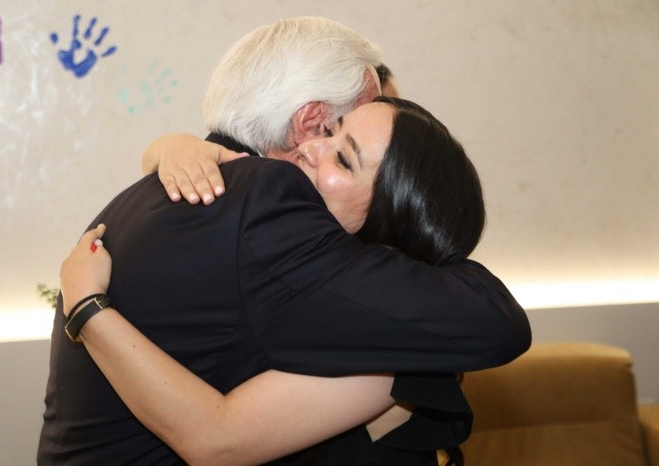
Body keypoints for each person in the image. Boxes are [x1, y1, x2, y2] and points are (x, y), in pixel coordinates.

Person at [39, 17, 530, 465]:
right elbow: (494, 322)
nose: (316, 148)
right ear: (309, 120)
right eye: (333, 130)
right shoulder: (270, 198)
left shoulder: (150, 195)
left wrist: (88, 307)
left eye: (345, 155)